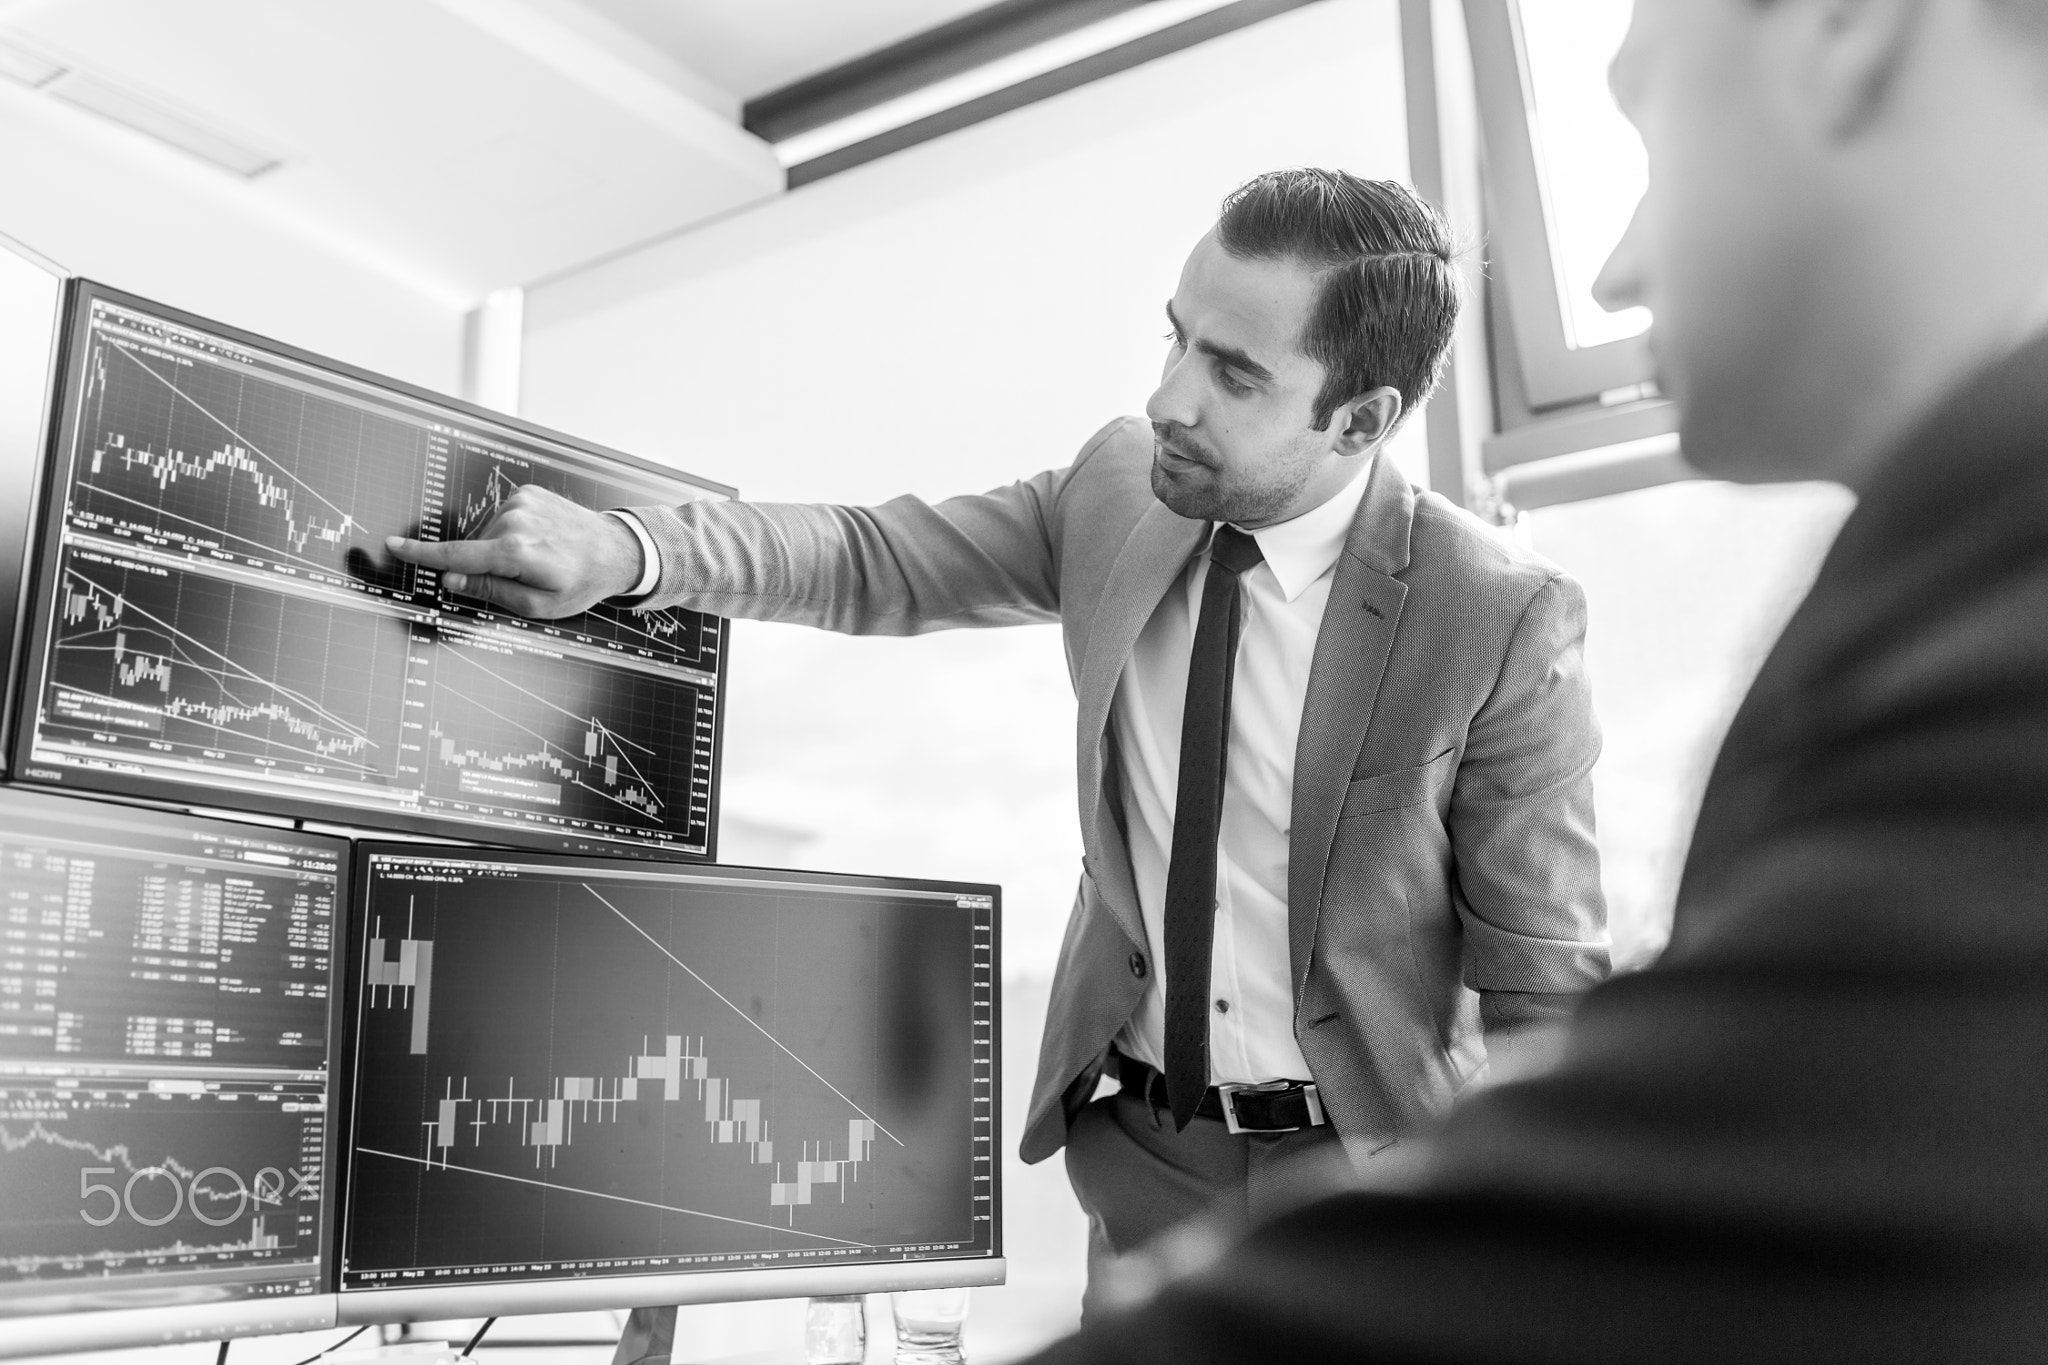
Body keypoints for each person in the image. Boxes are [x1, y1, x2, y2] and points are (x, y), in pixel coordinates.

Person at [994, 0, 2048, 1358]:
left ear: (1851, 30)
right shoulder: (1952, 566)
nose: (1614, 271)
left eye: (1648, 135)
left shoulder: (1994, 627)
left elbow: (1670, 1210)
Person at [387, 169, 1610, 1302]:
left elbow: (1540, 986)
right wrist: (633, 552)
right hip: (1148, 1151)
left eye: (1234, 376)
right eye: (1175, 336)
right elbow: (879, 558)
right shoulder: (1120, 486)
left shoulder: (1495, 615)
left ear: (1358, 419)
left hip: (1372, 1172)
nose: (1167, 399)